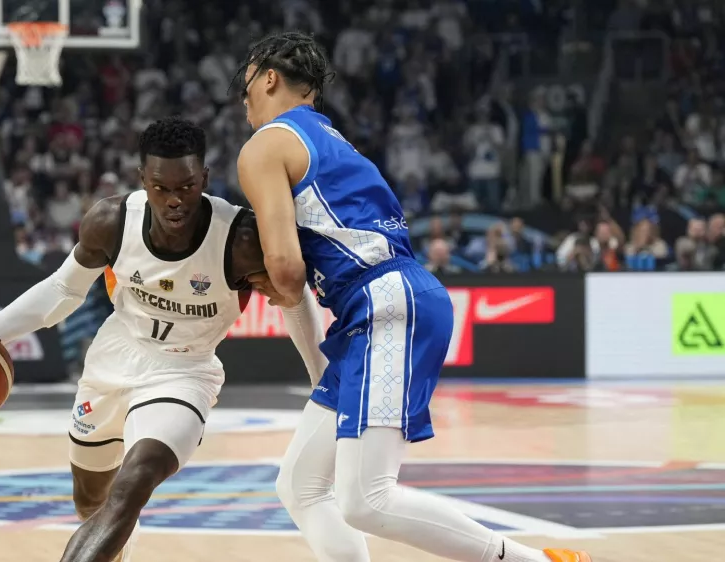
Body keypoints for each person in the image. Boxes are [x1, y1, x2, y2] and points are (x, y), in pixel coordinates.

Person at [233, 31, 592, 562]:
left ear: (268, 78)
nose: (242, 100)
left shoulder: (265, 145)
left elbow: (285, 270)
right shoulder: (330, 139)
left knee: (365, 499)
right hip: (385, 301)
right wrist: (322, 373)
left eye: (245, 84)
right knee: (301, 485)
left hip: (382, 304)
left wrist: (254, 274)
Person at [0, 117, 326, 562]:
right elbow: (63, 291)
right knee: (91, 501)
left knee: (134, 481)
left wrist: (323, 379)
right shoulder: (111, 221)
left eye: (187, 187)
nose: (175, 200)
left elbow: (293, 297)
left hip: (185, 372)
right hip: (112, 360)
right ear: (142, 179)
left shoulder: (241, 239)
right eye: (161, 188)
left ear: (204, 179)